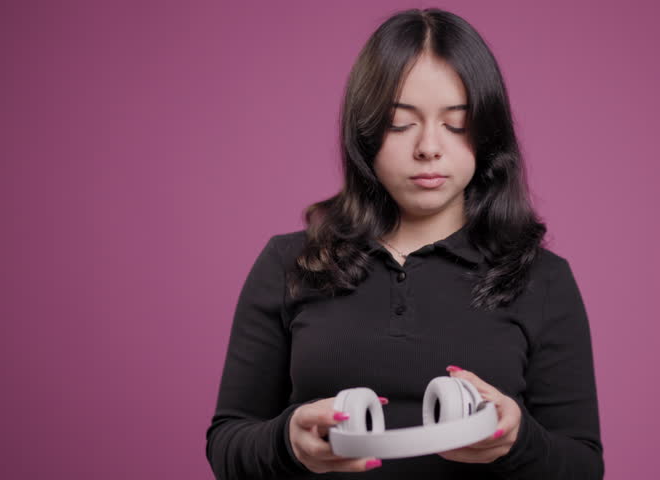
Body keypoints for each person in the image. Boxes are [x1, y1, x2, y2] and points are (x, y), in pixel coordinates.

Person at [205, 7, 604, 479]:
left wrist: (519, 443)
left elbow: (583, 467)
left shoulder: (543, 278)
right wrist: (286, 441)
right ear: (367, 131)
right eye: (400, 123)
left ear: (487, 133)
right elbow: (227, 444)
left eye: (456, 124)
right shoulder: (287, 261)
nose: (429, 147)